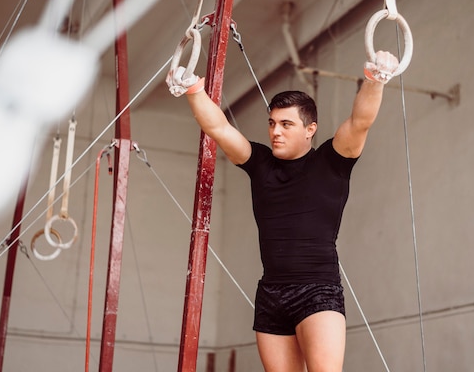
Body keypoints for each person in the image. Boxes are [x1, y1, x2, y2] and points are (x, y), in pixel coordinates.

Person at [167, 50, 399, 372]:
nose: (275, 131)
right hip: (271, 294)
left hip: (318, 290)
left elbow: (360, 122)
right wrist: (193, 90)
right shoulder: (259, 163)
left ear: (310, 129)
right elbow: (218, 128)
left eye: (286, 124)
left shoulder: (332, 162)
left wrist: (375, 80)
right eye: (272, 123)